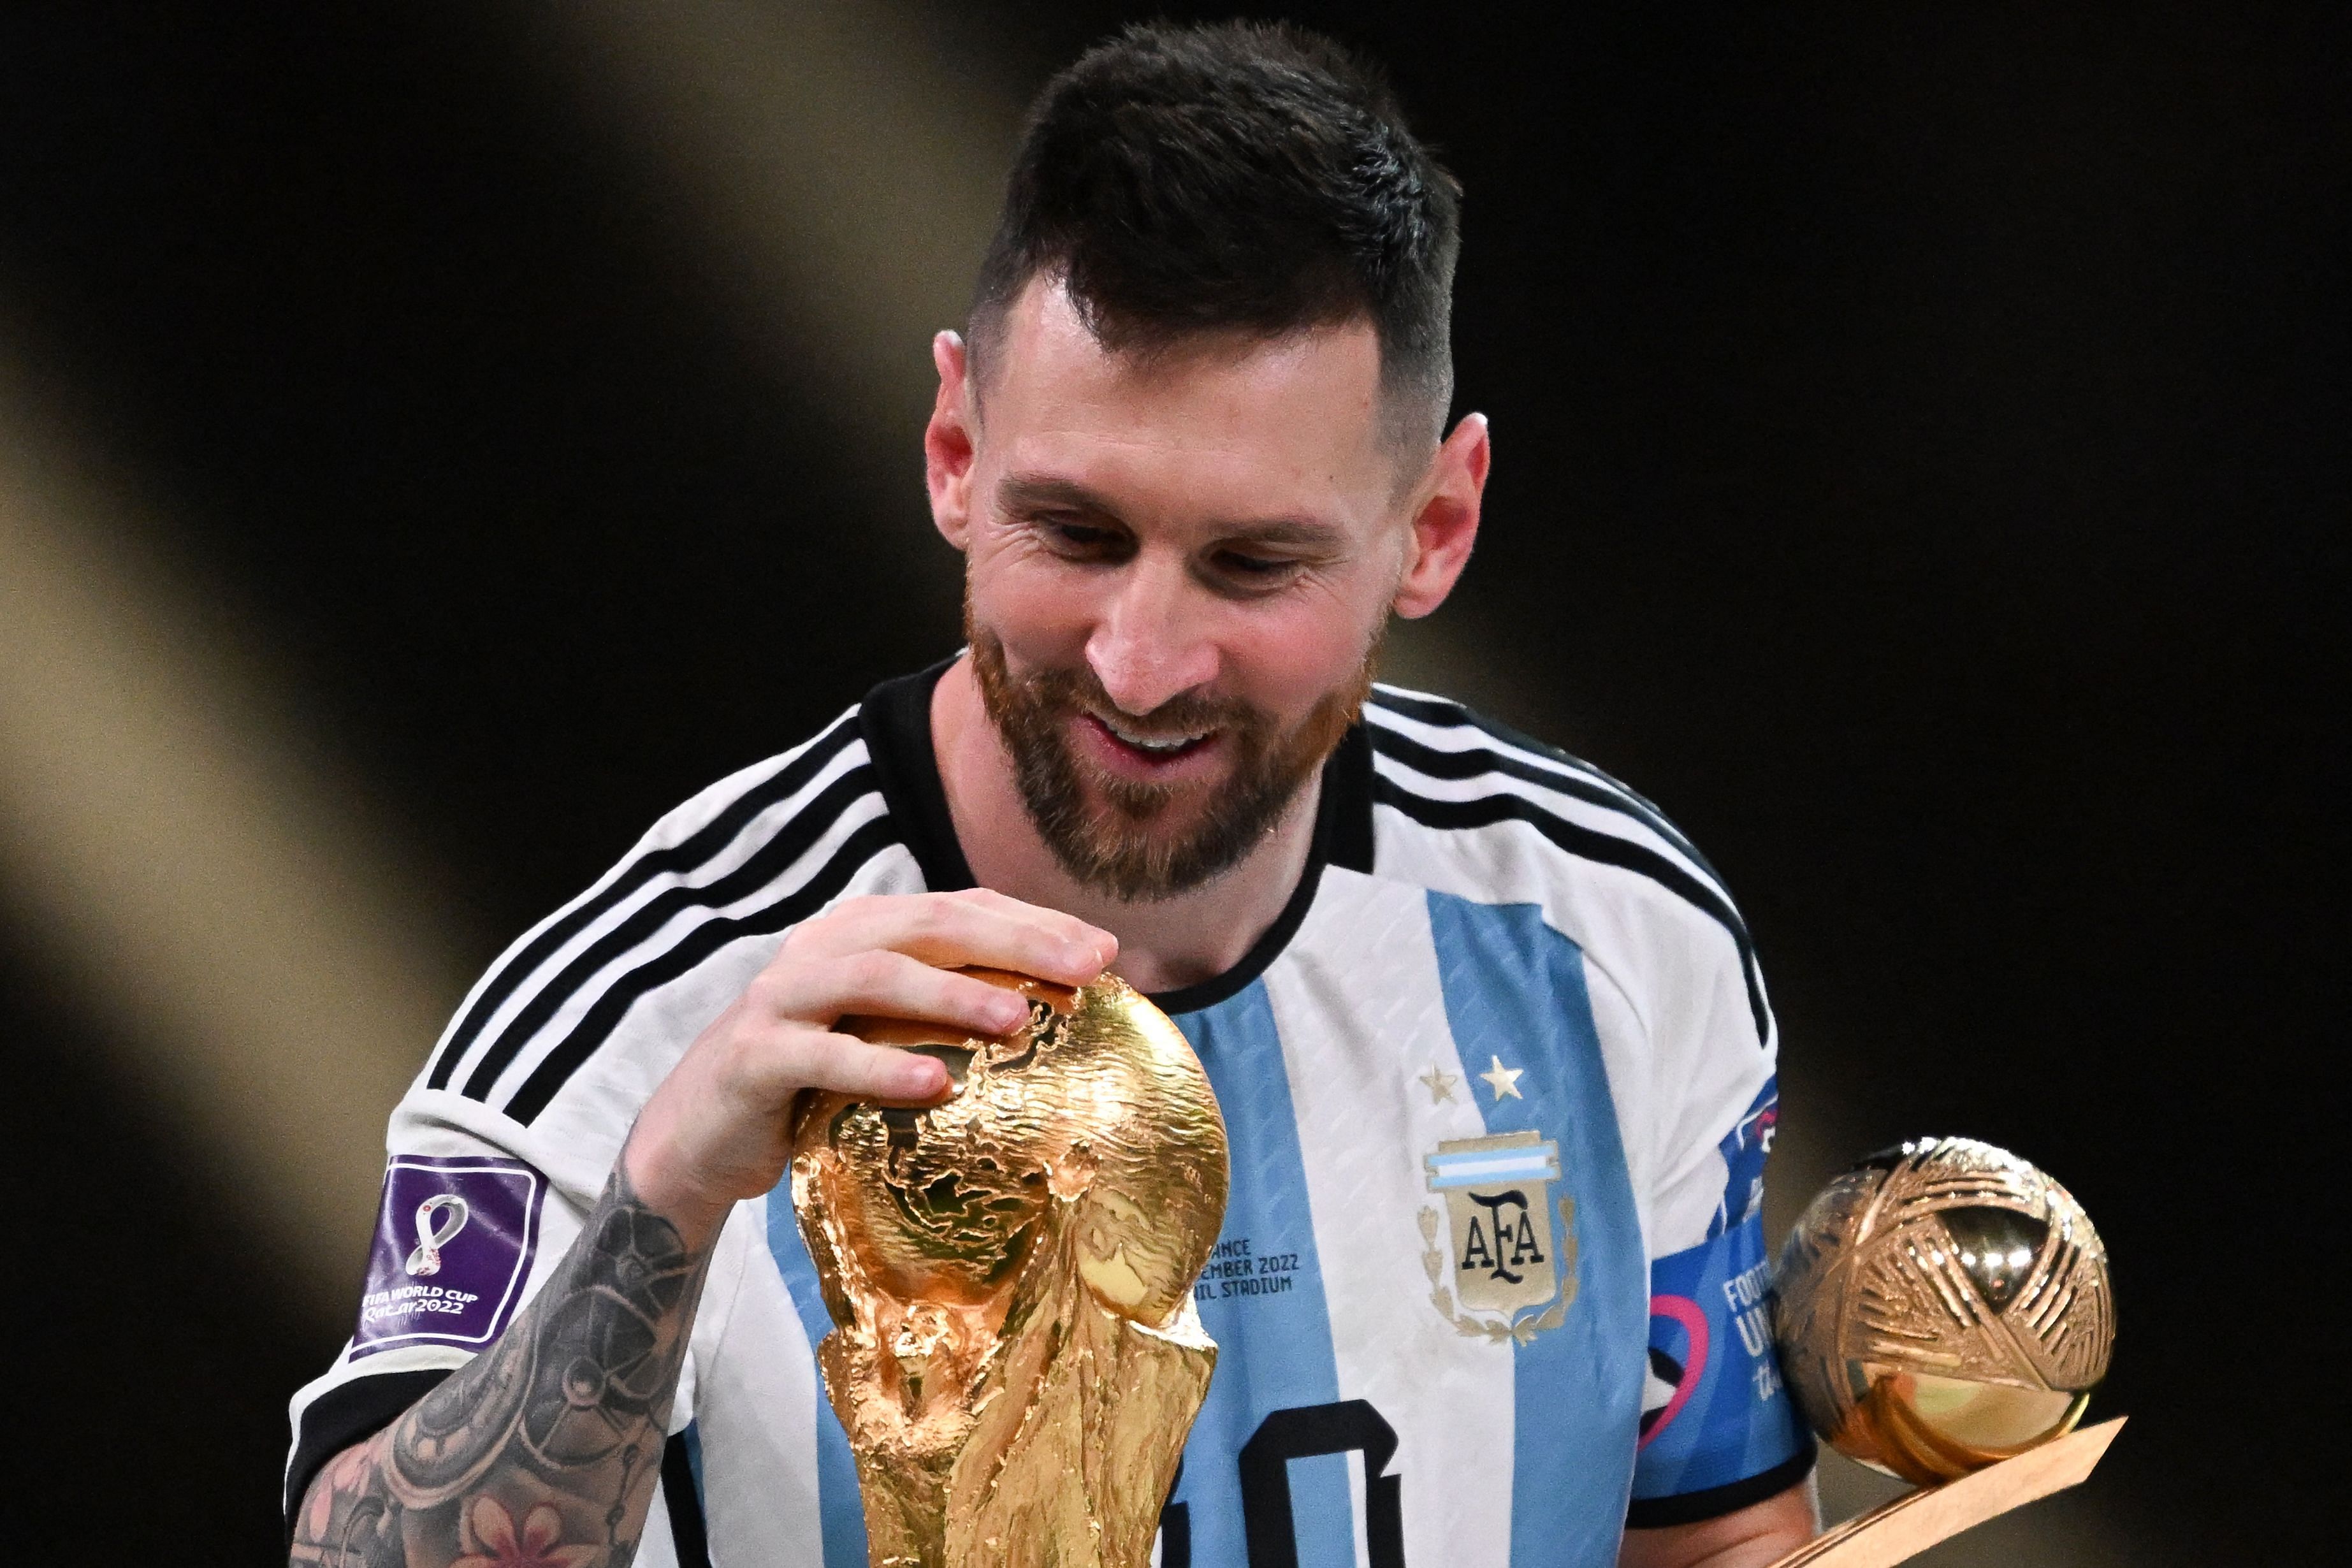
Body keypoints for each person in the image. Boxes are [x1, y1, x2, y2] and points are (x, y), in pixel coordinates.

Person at [287, 20, 1815, 1568]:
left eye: (1252, 564)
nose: (1142, 664)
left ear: (1435, 525)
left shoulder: (1610, 939)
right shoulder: (657, 1017)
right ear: (956, 450)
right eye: (1076, 535)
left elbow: (1712, 1533)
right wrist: (668, 1199)